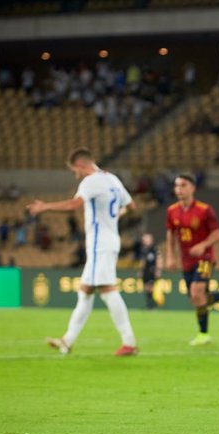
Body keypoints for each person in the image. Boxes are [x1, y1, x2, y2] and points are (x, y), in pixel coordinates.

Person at [27, 147, 138, 356]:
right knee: (85, 291)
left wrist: (45, 207)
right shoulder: (112, 179)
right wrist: (114, 217)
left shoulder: (91, 181)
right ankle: (67, 341)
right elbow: (131, 206)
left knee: (107, 290)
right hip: (110, 240)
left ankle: (129, 342)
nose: (74, 174)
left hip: (100, 244)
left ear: (80, 165)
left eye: (73, 170)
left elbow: (73, 205)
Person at [166, 173, 219, 346]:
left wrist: (203, 245)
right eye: (176, 186)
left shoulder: (204, 210)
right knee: (197, 299)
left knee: (196, 293)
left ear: (192, 188)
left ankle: (203, 334)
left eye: (183, 185)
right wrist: (170, 256)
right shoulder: (172, 211)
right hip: (186, 260)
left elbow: (217, 234)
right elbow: (170, 234)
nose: (179, 189)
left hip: (205, 258)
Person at [139, 233, 162, 309]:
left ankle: (152, 304)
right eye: (144, 239)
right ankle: (149, 304)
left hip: (152, 270)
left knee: (151, 287)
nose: (145, 241)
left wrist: (158, 270)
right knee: (145, 287)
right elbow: (143, 261)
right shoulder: (143, 249)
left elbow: (159, 259)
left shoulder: (154, 249)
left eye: (147, 239)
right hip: (145, 271)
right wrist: (141, 270)